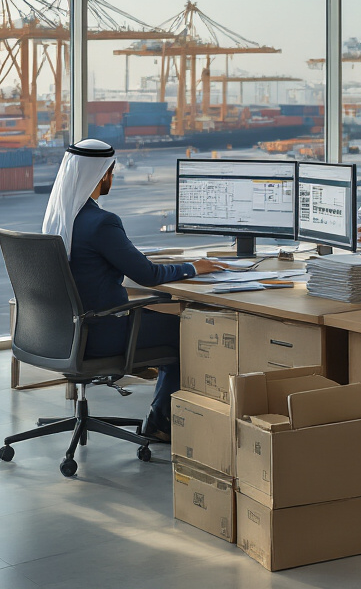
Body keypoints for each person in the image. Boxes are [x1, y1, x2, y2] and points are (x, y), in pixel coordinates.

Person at [41, 139, 224, 442]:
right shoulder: (102, 223)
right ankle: (160, 421)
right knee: (186, 331)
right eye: (110, 172)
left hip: (59, 334)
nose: (111, 178)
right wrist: (193, 267)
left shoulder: (58, 220)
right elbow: (148, 274)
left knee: (163, 322)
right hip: (101, 333)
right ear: (102, 175)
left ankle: (160, 411)